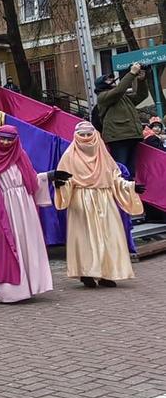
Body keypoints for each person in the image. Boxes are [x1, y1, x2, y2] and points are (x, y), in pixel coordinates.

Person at [54, 122, 145, 288]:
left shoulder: (104, 156)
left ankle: (106, 273)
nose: (86, 138)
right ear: (76, 136)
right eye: (82, 135)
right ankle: (86, 273)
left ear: (95, 135)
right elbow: (65, 179)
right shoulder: (69, 157)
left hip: (104, 200)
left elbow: (115, 178)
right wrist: (61, 185)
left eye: (89, 134)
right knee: (85, 238)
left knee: (108, 236)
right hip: (81, 200)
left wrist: (131, 186)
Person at [0, 124, 54, 303]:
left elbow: (32, 180)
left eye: (10, 139)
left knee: (27, 243)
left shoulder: (21, 156)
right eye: (2, 138)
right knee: (4, 246)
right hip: (3, 207)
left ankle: (31, 286)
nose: (6, 142)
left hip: (25, 205)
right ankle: (11, 292)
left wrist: (49, 176)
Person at [96, 63, 149, 177]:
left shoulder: (123, 97)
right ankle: (120, 192)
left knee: (131, 170)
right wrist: (131, 73)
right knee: (121, 169)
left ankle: (130, 191)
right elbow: (119, 90)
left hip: (131, 135)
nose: (112, 80)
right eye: (108, 79)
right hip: (118, 138)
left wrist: (141, 80)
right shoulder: (103, 97)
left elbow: (142, 95)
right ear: (101, 85)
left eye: (111, 78)